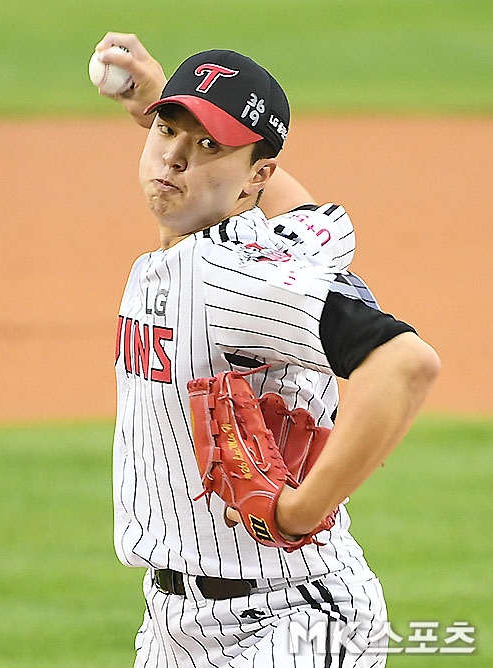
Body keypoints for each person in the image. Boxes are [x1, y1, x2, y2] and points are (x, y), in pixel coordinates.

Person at [93, 32, 440, 667]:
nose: (174, 157)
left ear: (257, 175)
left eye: (209, 146)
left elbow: (405, 363)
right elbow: (302, 208)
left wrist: (301, 511)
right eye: (166, 130)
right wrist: (155, 101)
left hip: (290, 624)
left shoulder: (234, 281)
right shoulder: (285, 238)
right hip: (177, 626)